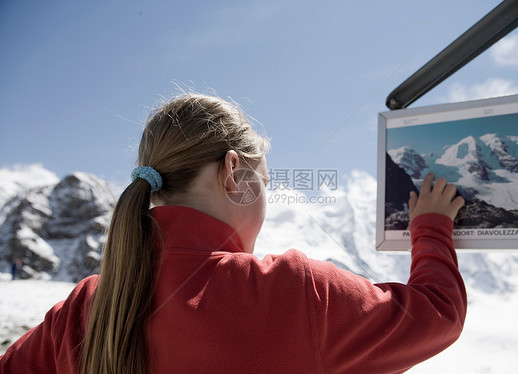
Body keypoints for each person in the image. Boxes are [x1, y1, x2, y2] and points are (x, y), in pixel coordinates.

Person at [0, 94, 466, 374]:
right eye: (264, 179)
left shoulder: (86, 305)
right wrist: (431, 225)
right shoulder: (293, 292)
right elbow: (438, 314)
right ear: (233, 173)